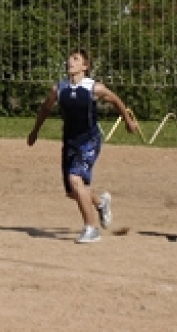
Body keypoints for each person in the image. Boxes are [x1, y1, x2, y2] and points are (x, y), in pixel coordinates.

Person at [26, 49, 137, 244]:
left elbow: (116, 100)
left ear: (85, 66)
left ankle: (91, 228)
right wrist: (35, 131)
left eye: (75, 59)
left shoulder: (93, 88)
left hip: (89, 141)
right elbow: (45, 108)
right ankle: (101, 202)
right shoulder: (59, 89)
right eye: (69, 58)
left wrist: (128, 121)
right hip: (69, 142)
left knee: (76, 180)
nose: (70, 61)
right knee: (72, 192)